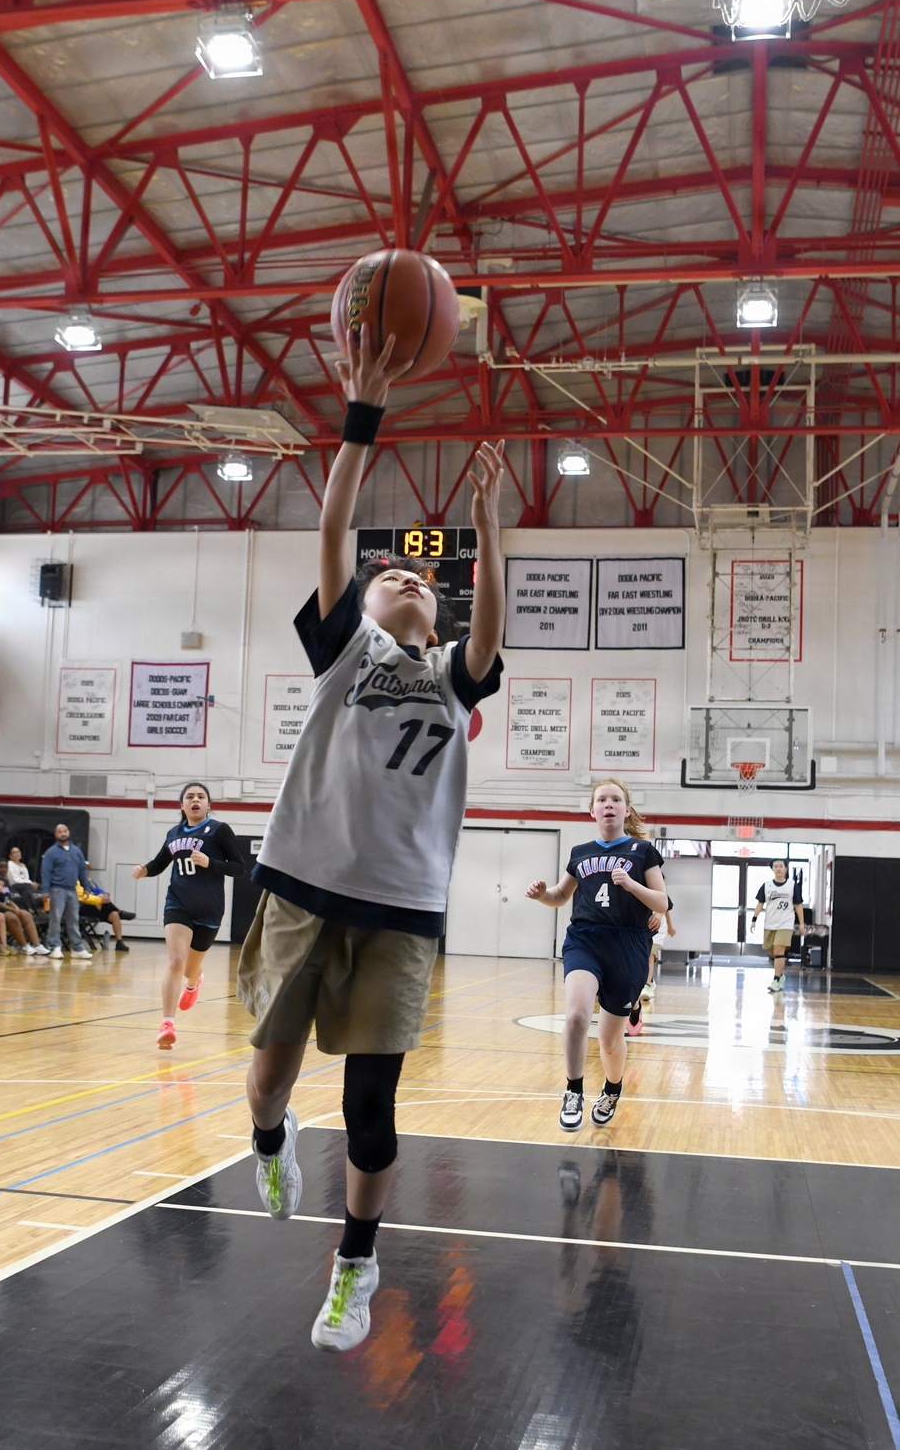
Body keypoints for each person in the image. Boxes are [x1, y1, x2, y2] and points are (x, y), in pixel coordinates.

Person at [236, 324, 505, 1354]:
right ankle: (268, 1138)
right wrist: (364, 414)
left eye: (422, 582)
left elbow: (488, 624)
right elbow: (336, 526)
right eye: (392, 576)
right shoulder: (344, 649)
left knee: (371, 1105)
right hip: (300, 883)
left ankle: (356, 1261)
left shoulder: (452, 678)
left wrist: (488, 527)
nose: (407, 578)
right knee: (271, 1075)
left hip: (401, 908)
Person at [526, 778, 667, 1133]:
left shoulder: (642, 851)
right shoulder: (580, 853)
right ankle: (573, 1090)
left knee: (609, 1040)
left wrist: (632, 885)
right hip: (585, 939)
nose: (608, 804)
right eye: (602, 799)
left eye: (615, 799)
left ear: (626, 809)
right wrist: (543, 895)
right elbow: (561, 896)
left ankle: (612, 1089)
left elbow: (663, 902)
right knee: (576, 1016)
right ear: (592, 810)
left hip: (628, 945)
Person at [133, 783, 243, 1047]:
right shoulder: (173, 833)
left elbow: (239, 868)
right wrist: (144, 870)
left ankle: (194, 982)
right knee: (175, 962)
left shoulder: (219, 830)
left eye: (201, 796)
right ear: (181, 805)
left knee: (190, 969)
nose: (196, 799)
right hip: (178, 903)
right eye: (190, 796)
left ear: (208, 805)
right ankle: (167, 1024)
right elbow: (159, 864)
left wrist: (210, 863)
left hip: (209, 909)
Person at [750, 859, 805, 992]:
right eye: (776, 866)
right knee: (772, 953)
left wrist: (802, 924)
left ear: (785, 869)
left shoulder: (792, 885)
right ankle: (780, 976)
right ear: (772, 869)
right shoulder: (767, 885)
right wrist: (754, 919)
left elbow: (798, 905)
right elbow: (760, 903)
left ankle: (775, 980)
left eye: (781, 866)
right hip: (770, 923)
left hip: (786, 923)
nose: (778, 868)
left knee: (779, 950)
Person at [40, 823, 92, 959]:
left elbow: (82, 870)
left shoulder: (76, 851)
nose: (62, 834)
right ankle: (55, 947)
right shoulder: (51, 852)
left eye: (65, 831)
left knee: (74, 918)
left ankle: (78, 948)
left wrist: (86, 887)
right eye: (59, 832)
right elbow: (46, 872)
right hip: (57, 889)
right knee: (56, 918)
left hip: (72, 889)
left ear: (68, 832)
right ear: (55, 834)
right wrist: (45, 890)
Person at [0, 875, 46, 954]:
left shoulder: (4, 884)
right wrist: (12, 909)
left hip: (6, 908)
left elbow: (8, 899)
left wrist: (16, 908)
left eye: (2, 885)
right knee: (12, 918)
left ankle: (37, 945)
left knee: (27, 915)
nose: (0, 886)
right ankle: (24, 946)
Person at [79, 864, 133, 951]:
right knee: (100, 903)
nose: (87, 871)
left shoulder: (89, 881)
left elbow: (100, 891)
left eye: (88, 869)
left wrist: (105, 895)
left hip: (96, 905)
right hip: (81, 907)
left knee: (114, 914)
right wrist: (99, 899)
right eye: (85, 869)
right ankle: (120, 912)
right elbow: (82, 897)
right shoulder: (76, 882)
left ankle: (119, 942)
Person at [641, 895, 676, 1002]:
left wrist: (670, 927)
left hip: (657, 931)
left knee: (650, 957)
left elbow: (666, 910)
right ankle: (650, 981)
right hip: (642, 929)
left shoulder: (661, 893)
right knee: (643, 958)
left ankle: (647, 986)